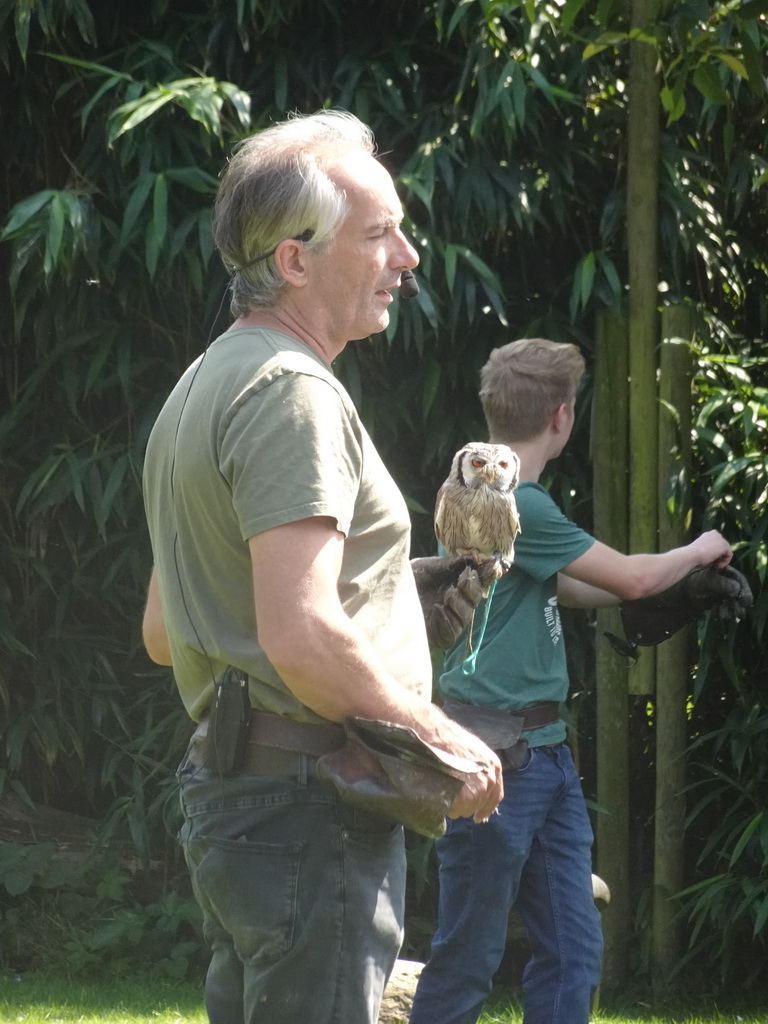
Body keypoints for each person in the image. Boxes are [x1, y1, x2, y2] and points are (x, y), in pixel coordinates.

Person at [140, 110, 503, 1024]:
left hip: (236, 806)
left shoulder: (202, 386)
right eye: (380, 233)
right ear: (295, 261)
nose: (409, 257)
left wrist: (384, 600)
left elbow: (164, 628)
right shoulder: (295, 393)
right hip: (310, 812)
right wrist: (442, 737)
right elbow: (297, 634)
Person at [409, 336, 740, 1024]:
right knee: (467, 956)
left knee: (572, 952)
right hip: (494, 762)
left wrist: (673, 590)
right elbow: (633, 576)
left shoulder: (479, 493)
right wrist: (699, 551)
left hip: (546, 756)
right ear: (562, 416)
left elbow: (567, 586)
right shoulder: (521, 502)